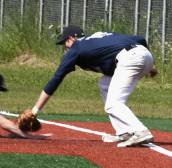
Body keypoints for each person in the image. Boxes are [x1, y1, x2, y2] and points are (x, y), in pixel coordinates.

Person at [26, 25, 157, 147]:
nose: (65, 48)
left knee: (113, 104)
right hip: (141, 54)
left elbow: (56, 78)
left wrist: (34, 111)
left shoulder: (76, 47)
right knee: (104, 83)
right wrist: (150, 63)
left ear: (71, 38)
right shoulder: (95, 38)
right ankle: (124, 132)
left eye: (65, 43)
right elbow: (140, 39)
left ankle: (140, 131)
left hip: (130, 58)